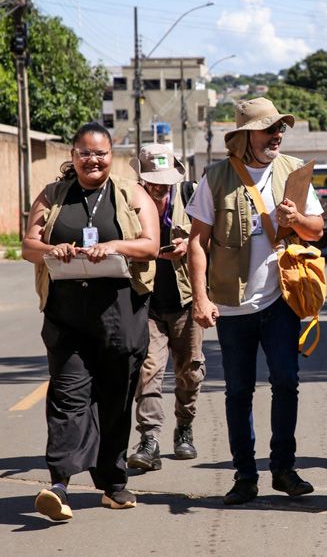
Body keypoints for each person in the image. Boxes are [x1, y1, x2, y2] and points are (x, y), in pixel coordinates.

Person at [186, 97, 324, 505]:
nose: (277, 135)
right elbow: (197, 242)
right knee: (238, 391)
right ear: (246, 136)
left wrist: (296, 220)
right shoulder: (214, 177)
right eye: (269, 129)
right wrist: (200, 298)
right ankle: (245, 475)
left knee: (286, 382)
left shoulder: (293, 172)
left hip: (281, 299)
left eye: (280, 128)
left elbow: (316, 230)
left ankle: (283, 468)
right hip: (231, 304)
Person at [21, 122, 159, 521]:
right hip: (67, 315)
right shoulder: (52, 195)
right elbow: (29, 246)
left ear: (111, 155)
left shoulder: (133, 194)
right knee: (67, 395)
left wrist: (115, 246)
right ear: (73, 155)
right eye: (84, 152)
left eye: (100, 153)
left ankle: (113, 484)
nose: (92, 159)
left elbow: (150, 246)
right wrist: (54, 248)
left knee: (115, 400)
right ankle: (59, 483)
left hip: (121, 314)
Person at [127, 144, 205, 471]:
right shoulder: (128, 203)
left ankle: (184, 427)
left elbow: (212, 240)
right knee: (149, 371)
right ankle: (149, 440)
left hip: (185, 301)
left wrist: (189, 244)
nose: (160, 188)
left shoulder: (190, 196)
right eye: (153, 182)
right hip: (146, 301)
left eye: (165, 182)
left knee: (190, 372)